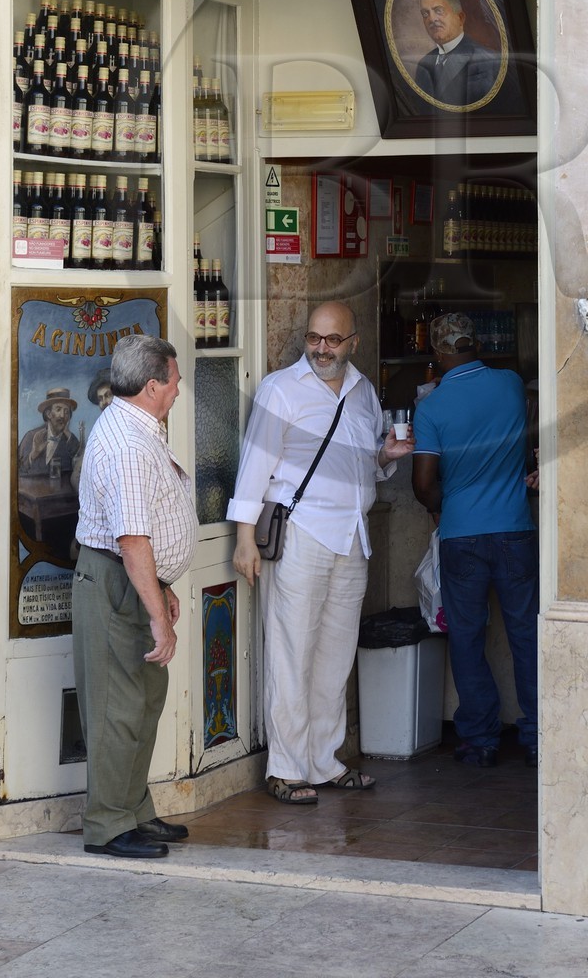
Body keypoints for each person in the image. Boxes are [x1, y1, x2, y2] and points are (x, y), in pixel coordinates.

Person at [229, 301, 414, 805]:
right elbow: (254, 466)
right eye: (314, 338)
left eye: (333, 340)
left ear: (353, 342)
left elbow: (361, 464)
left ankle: (325, 760)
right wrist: (245, 538)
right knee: (291, 653)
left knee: (334, 655)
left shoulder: (362, 392)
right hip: (303, 533)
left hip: (352, 536)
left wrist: (385, 456)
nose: (322, 349)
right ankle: (286, 769)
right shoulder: (280, 389)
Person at [72, 334, 197, 859]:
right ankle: (106, 825)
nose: (177, 390)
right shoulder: (127, 443)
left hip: (135, 582)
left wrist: (162, 586)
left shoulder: (139, 426)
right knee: (117, 708)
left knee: (143, 702)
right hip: (118, 583)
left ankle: (133, 811)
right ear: (152, 386)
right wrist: (158, 615)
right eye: (173, 381)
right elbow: (132, 539)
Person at [411, 313, 538, 769]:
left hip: (462, 535)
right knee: (525, 633)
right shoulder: (510, 384)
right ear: (476, 343)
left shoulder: (432, 407)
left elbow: (424, 483)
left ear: (439, 353)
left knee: (467, 638)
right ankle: (539, 735)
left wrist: (443, 507)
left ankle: (480, 739)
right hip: (515, 530)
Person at [413, 0, 499, 107]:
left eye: (439, 11)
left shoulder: (490, 60)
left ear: (460, 18)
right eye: (425, 14)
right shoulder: (423, 64)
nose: (431, 19)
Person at [16, 387, 81, 477]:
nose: (62, 415)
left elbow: (81, 465)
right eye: (58, 409)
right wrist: (34, 453)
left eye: (66, 412)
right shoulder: (31, 436)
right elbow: (16, 469)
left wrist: (68, 434)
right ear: (48, 414)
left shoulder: (71, 441)